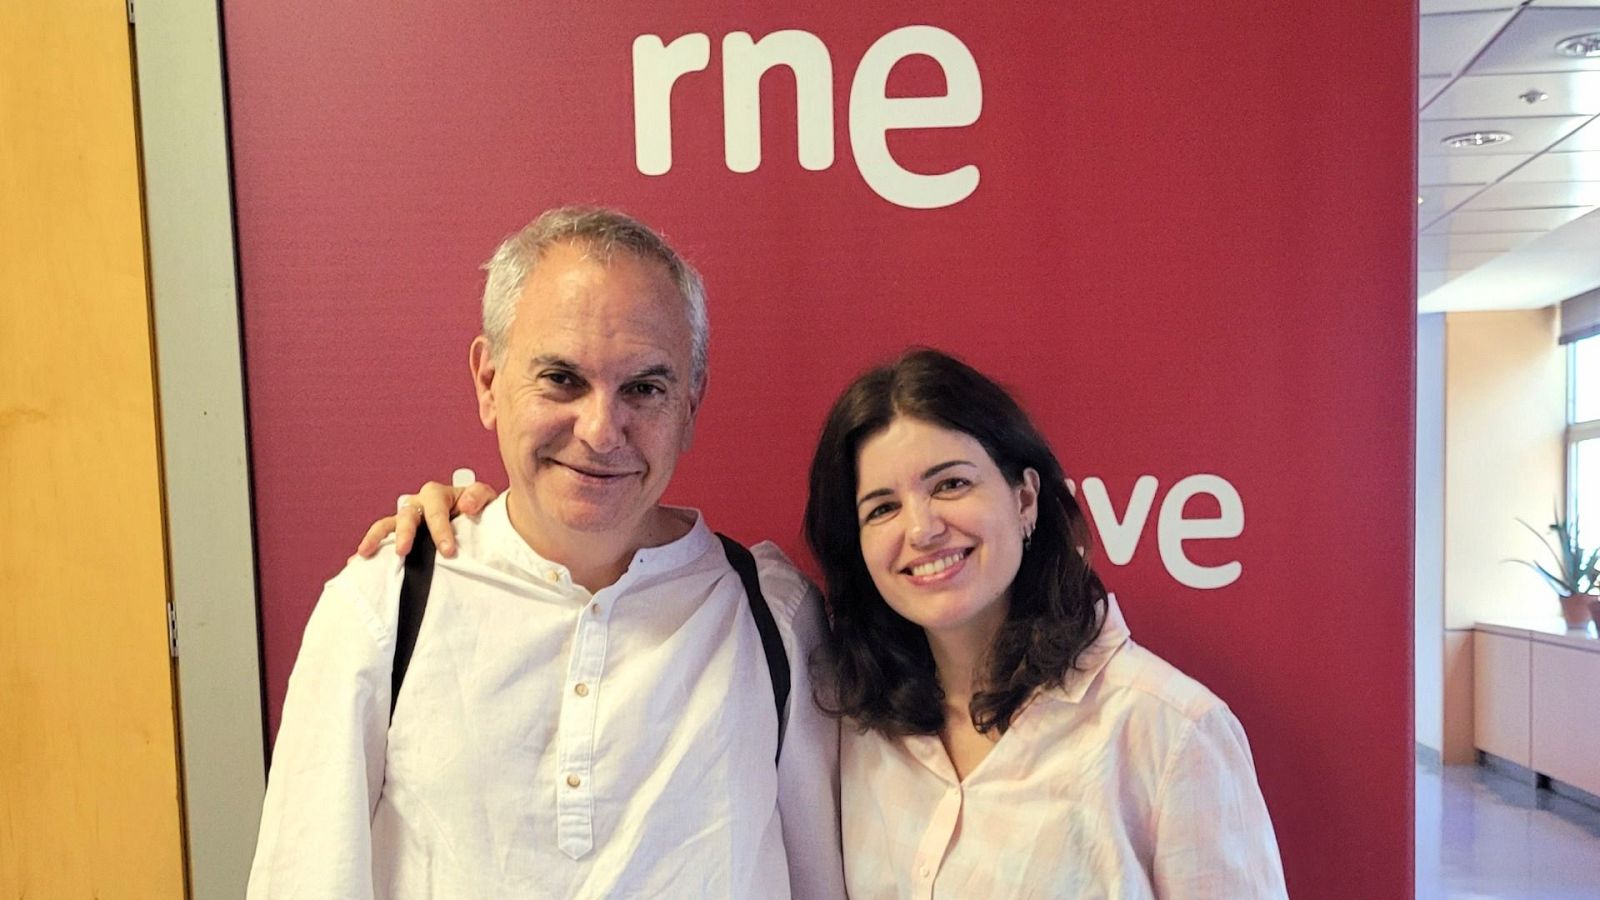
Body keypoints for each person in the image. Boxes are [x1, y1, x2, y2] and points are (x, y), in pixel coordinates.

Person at [386, 349, 1287, 896]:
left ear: (1024, 499)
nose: (923, 529)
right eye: (882, 506)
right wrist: (484, 525)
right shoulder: (847, 716)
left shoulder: (1167, 732)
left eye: (951, 484)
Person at [249, 207, 844, 898]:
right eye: (561, 379)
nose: (600, 430)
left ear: (690, 405)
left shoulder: (773, 618)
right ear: (488, 380)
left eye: (644, 388)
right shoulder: (382, 608)